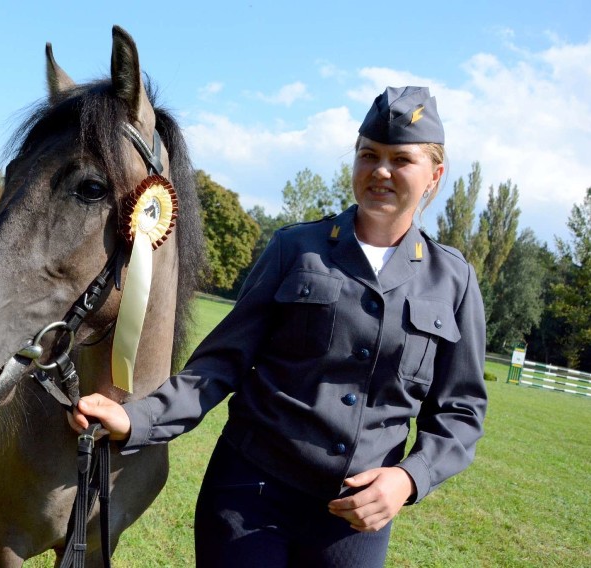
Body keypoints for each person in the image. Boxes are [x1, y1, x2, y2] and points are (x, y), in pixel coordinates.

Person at [72, 86, 488, 567]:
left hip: (352, 522)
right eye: (368, 155)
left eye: (402, 160)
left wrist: (409, 478)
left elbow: (460, 411)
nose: (381, 171)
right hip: (251, 495)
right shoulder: (298, 248)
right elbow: (221, 363)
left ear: (434, 176)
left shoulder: (453, 279)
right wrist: (139, 419)